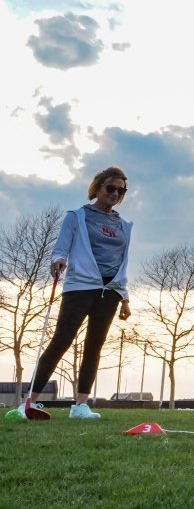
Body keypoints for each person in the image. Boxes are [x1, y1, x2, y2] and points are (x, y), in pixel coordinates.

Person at [20, 167, 133, 421]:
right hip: (80, 286)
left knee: (95, 345)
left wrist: (125, 298)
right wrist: (58, 260)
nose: (116, 193)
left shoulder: (124, 225)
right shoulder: (78, 217)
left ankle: (81, 406)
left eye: (121, 190)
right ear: (97, 188)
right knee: (61, 340)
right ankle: (29, 401)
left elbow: (122, 262)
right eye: (111, 188)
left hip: (110, 291)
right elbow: (61, 247)